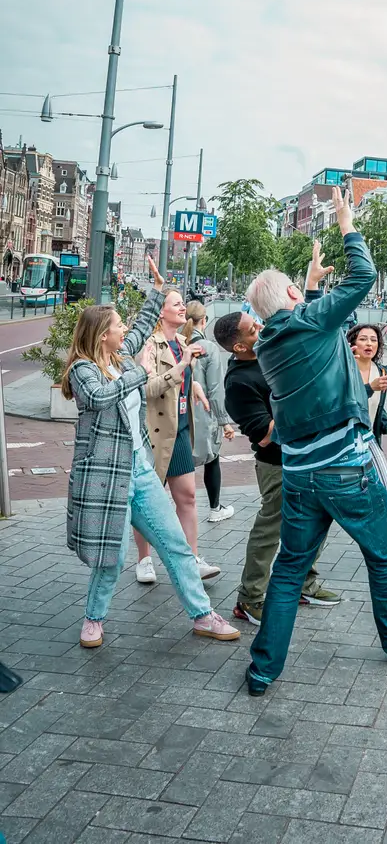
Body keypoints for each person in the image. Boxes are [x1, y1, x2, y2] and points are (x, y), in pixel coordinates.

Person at [244, 189, 387, 693]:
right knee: (380, 555)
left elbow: (312, 330)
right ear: (293, 299)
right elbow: (364, 277)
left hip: (299, 474)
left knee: (290, 568)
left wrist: (310, 287)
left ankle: (262, 670)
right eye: (298, 288)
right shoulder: (307, 322)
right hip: (345, 467)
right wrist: (346, 223)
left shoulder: (269, 343)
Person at [64, 256, 240, 648]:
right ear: (100, 335)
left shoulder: (120, 357)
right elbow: (97, 397)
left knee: (175, 543)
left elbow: (143, 324)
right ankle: (94, 619)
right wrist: (141, 372)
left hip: (140, 470)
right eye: (116, 326)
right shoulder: (84, 369)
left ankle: (202, 614)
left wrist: (159, 291)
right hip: (107, 475)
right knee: (111, 558)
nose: (123, 329)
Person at [213, 309, 341, 625]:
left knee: (319, 521)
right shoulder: (239, 383)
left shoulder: (269, 355)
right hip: (278, 464)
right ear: (239, 346)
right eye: (252, 329)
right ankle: (250, 598)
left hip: (310, 455)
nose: (260, 327)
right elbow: (266, 435)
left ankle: (304, 584)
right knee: (270, 529)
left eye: (256, 322)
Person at [133, 287, 222, 585]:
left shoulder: (183, 341)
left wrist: (194, 386)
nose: (183, 307)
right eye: (176, 303)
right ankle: (144, 559)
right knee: (147, 500)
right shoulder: (149, 344)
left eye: (183, 303)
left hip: (181, 428)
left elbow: (186, 379)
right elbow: (146, 388)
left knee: (188, 496)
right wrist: (183, 366)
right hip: (155, 433)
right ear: (161, 312)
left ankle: (192, 559)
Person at [346, 322, 387, 572]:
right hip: (343, 442)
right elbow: (346, 403)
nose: (369, 344)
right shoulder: (344, 369)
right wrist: (369, 388)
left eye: (373, 339)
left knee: (385, 489)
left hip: (368, 439)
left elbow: (374, 412)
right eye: (363, 339)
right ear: (353, 343)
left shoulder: (380, 370)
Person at [182, 300, 236, 524]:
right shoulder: (208, 348)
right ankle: (215, 508)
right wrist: (225, 421)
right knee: (212, 459)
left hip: (179, 414)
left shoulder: (178, 343)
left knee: (175, 464)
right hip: (203, 414)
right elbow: (215, 389)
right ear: (204, 320)